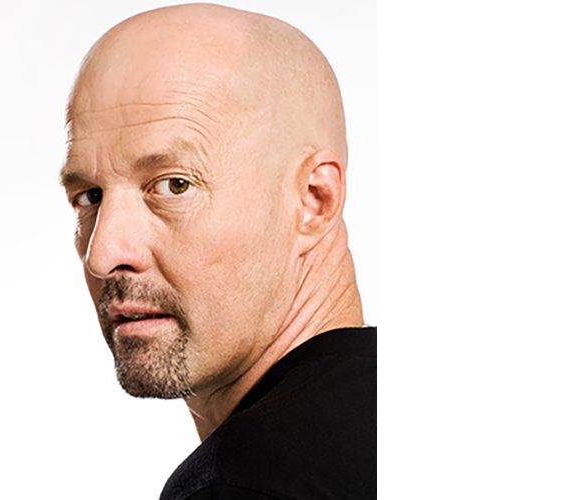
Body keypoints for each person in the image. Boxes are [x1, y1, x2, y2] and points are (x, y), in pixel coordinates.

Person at [59, 3, 375, 499]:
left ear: (314, 201)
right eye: (90, 197)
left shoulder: (248, 483)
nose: (102, 254)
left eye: (174, 185)